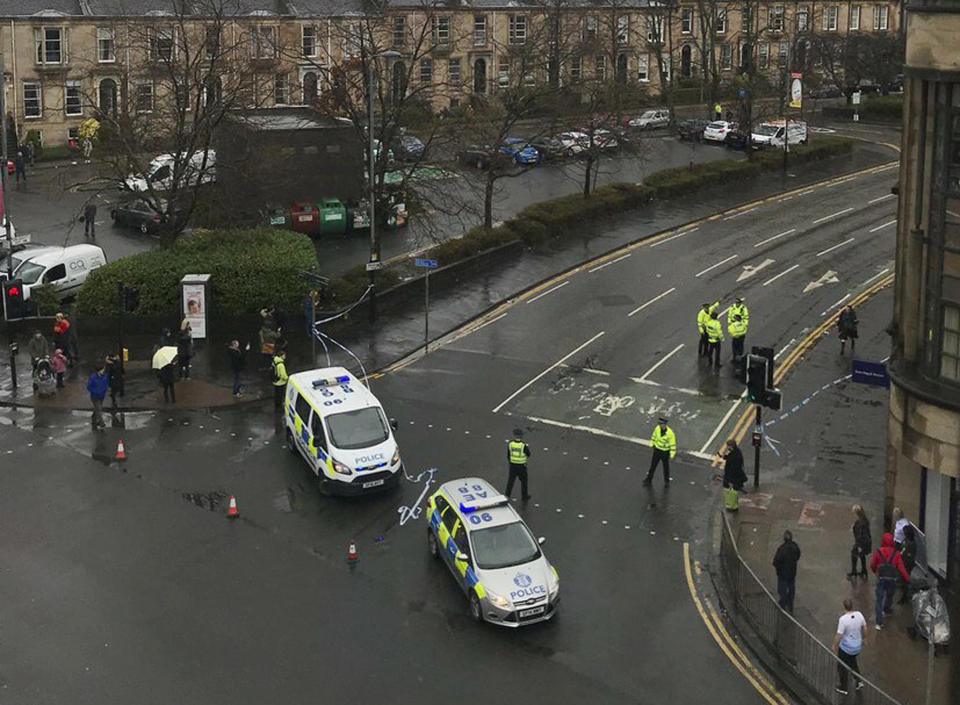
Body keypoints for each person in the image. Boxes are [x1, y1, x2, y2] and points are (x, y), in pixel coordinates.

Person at [869, 532, 910, 629]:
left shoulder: (878, 552)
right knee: (890, 595)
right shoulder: (896, 554)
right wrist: (908, 579)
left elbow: (872, 564)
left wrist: (876, 571)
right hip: (892, 579)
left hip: (881, 578)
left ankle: (879, 622)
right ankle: (886, 609)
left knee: (879, 599)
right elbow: (901, 568)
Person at [832, 598, 867, 696]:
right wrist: (864, 638)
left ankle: (843, 687)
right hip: (857, 647)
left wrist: (834, 645)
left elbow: (839, 635)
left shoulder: (843, 620)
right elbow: (865, 627)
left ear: (844, 607)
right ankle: (859, 681)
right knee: (852, 662)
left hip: (846, 648)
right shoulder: (859, 615)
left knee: (842, 666)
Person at [772, 530, 802, 613]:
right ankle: (790, 605)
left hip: (783, 574)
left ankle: (783, 604)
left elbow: (776, 561)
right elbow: (798, 555)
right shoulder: (795, 546)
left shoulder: (782, 549)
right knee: (791, 588)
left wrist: (779, 569)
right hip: (792, 573)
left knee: (782, 590)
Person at [643, 417, 676, 486]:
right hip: (657, 450)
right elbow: (654, 436)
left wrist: (672, 454)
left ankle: (666, 481)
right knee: (653, 465)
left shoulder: (670, 433)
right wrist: (652, 444)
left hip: (665, 452)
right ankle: (649, 479)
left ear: (665, 424)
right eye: (659, 424)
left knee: (665, 467)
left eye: (661, 424)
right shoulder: (657, 429)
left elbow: (672, 444)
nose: (660, 425)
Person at [505, 428, 532, 501]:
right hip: (521, 466)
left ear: (514, 435)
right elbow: (528, 454)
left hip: (512, 466)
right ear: (521, 436)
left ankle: (507, 495)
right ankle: (524, 496)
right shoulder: (523, 445)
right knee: (524, 481)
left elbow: (508, 455)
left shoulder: (510, 444)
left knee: (510, 481)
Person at [721, 438, 747, 511]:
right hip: (730, 474)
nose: (727, 448)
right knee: (728, 489)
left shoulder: (737, 455)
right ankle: (731, 505)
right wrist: (726, 454)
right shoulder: (732, 451)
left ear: (732, 446)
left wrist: (730, 477)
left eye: (729, 446)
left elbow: (736, 467)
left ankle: (732, 506)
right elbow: (725, 457)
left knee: (733, 490)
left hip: (734, 475)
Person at [848, 504, 872, 579]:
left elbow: (861, 535)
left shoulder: (861, 523)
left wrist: (859, 546)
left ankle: (854, 571)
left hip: (861, 543)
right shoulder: (864, 520)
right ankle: (864, 570)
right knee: (862, 555)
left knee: (853, 554)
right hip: (865, 542)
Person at [897, 524, 918, 604]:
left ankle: (905, 596)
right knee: (903, 580)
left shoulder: (912, 544)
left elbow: (909, 557)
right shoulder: (906, 540)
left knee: (904, 580)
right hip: (902, 563)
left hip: (906, 565)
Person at [86, 362, 109, 430]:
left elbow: (106, 383)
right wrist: (95, 392)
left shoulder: (105, 376)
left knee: (98, 408)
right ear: (99, 370)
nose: (104, 370)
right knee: (99, 409)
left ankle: (94, 417)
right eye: (103, 369)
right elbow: (89, 386)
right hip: (95, 396)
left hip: (102, 395)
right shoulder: (93, 377)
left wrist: (104, 390)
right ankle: (102, 424)